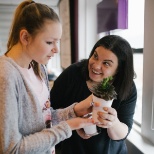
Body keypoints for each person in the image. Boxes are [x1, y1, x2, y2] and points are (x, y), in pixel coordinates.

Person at [0, 1, 95, 153]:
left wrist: (75, 111)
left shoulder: (38, 67)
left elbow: (44, 119)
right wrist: (68, 127)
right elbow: (11, 149)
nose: (56, 49)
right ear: (25, 37)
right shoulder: (6, 75)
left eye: (57, 41)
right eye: (50, 42)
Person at [50, 35, 137, 154]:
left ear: (119, 70)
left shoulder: (127, 87)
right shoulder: (73, 73)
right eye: (95, 56)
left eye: (106, 63)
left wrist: (113, 122)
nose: (95, 65)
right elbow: (49, 113)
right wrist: (75, 118)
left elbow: (123, 132)